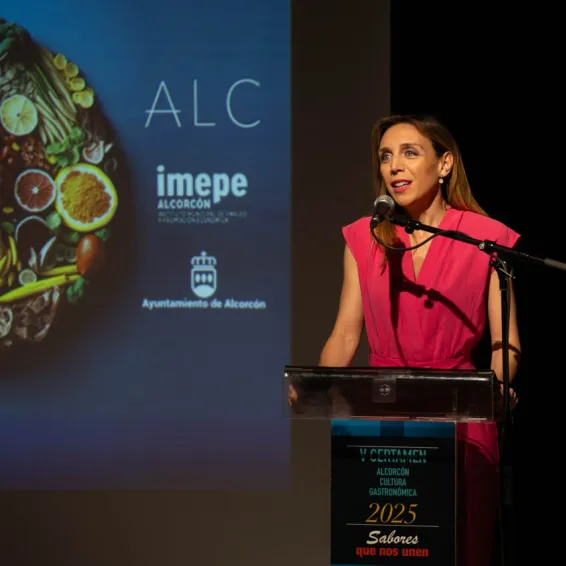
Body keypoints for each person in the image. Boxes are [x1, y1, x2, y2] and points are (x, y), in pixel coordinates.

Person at [318, 114, 521, 566]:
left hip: (463, 421)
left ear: (444, 164)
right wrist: (319, 387)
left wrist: (495, 387)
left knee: (462, 549)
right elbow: (345, 334)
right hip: (383, 421)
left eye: (410, 153)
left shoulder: (488, 240)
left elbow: (506, 345)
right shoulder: (365, 236)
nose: (394, 166)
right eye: (386, 156)